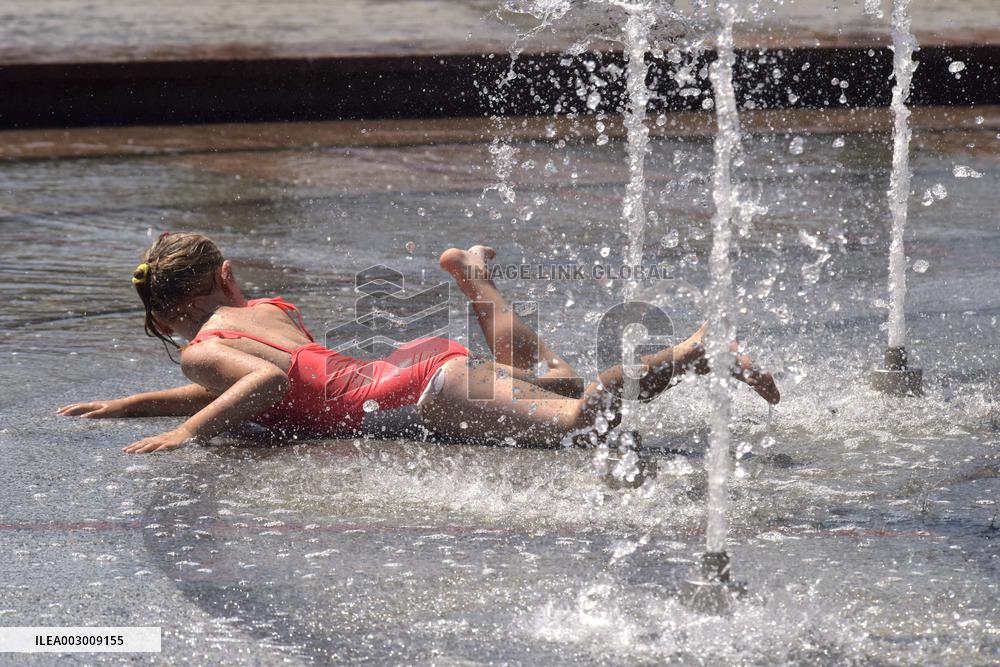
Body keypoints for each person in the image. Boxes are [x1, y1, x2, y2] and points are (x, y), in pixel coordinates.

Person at [57, 232, 779, 454]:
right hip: (414, 367)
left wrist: (186, 430)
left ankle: (695, 352)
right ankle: (472, 278)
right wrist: (128, 405)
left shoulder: (200, 345)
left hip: (415, 392)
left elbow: (266, 389)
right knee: (560, 383)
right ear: (226, 274)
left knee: (580, 421)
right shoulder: (268, 309)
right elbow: (255, 380)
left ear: (170, 307)